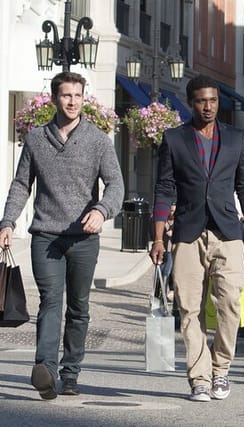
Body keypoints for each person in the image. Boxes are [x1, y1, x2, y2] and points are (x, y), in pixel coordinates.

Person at [0, 71, 125, 400]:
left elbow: (116, 185)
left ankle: (70, 372)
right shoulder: (37, 139)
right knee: (50, 302)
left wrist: (101, 211)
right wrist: (7, 222)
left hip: (84, 239)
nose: (73, 101)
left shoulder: (98, 141)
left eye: (78, 96)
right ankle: (45, 369)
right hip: (46, 236)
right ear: (55, 98)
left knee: (79, 307)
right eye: (67, 95)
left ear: (84, 99)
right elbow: (20, 185)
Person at [150, 74, 244, 402]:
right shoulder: (174, 139)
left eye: (213, 100)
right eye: (202, 101)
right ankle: (199, 377)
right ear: (191, 102)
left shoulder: (236, 138)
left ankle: (221, 369)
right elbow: (164, 189)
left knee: (229, 303)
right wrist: (158, 238)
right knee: (189, 308)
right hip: (188, 232)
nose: (209, 106)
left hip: (228, 231)